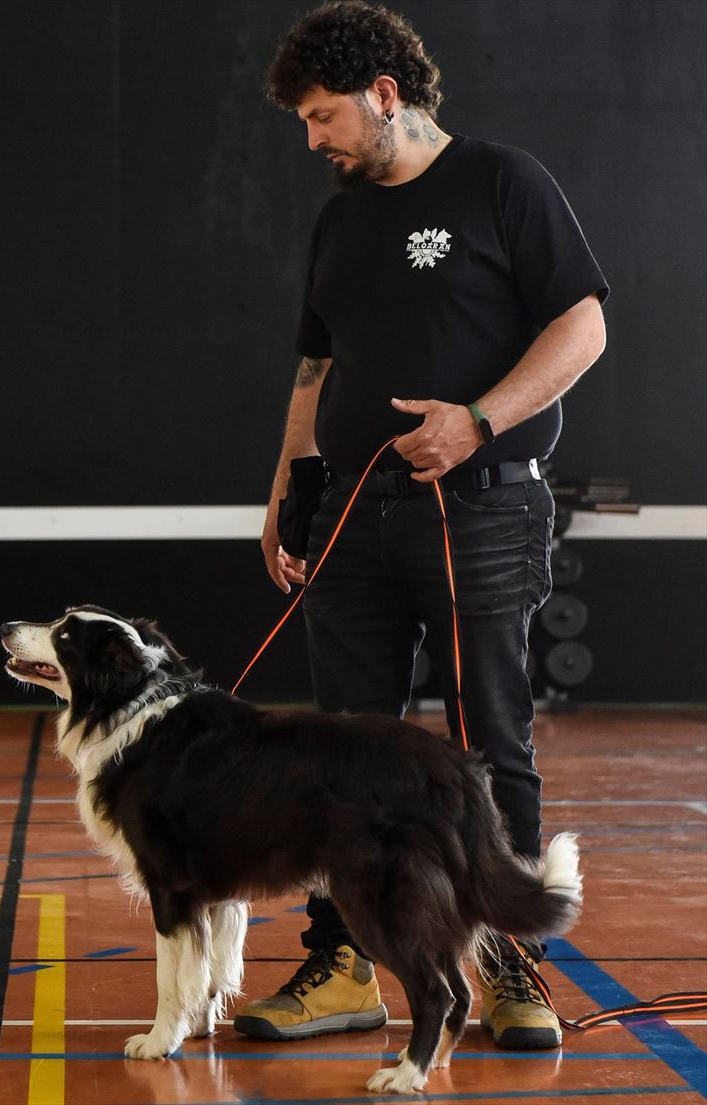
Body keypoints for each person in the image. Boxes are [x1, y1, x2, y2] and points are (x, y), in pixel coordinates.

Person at [236, 2, 607, 1051]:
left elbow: (585, 323)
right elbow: (318, 364)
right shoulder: (340, 216)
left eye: (322, 117)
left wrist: (479, 419)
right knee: (342, 752)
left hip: (478, 509)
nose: (313, 141)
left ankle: (507, 964)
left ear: (385, 96)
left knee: (487, 742)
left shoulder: (503, 183)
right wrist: (286, 486)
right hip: (353, 518)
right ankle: (347, 961)